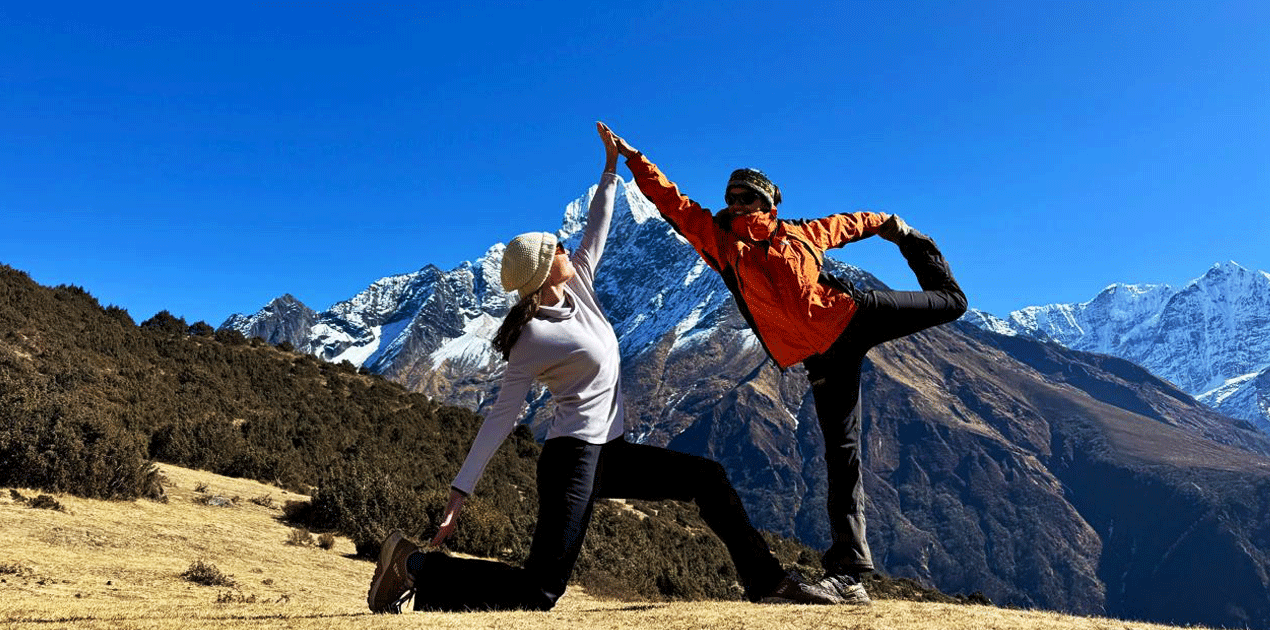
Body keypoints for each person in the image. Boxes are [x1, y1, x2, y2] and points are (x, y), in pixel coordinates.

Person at [366, 123, 841, 614]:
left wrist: (612, 167)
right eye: (555, 248)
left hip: (608, 454)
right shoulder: (531, 338)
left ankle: (767, 582)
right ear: (541, 272)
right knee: (541, 591)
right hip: (572, 461)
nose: (565, 247)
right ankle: (413, 567)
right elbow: (501, 417)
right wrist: (460, 491)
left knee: (708, 478)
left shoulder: (580, 286)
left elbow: (598, 226)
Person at [598, 122, 968, 605]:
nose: (735, 203)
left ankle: (923, 246)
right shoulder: (720, 243)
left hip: (855, 315)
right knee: (843, 457)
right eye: (731, 196)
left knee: (952, 302)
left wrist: (895, 227)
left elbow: (854, 222)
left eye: (746, 197)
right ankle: (850, 575)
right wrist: (634, 159)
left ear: (770, 203)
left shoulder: (802, 234)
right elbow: (672, 202)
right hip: (822, 357)